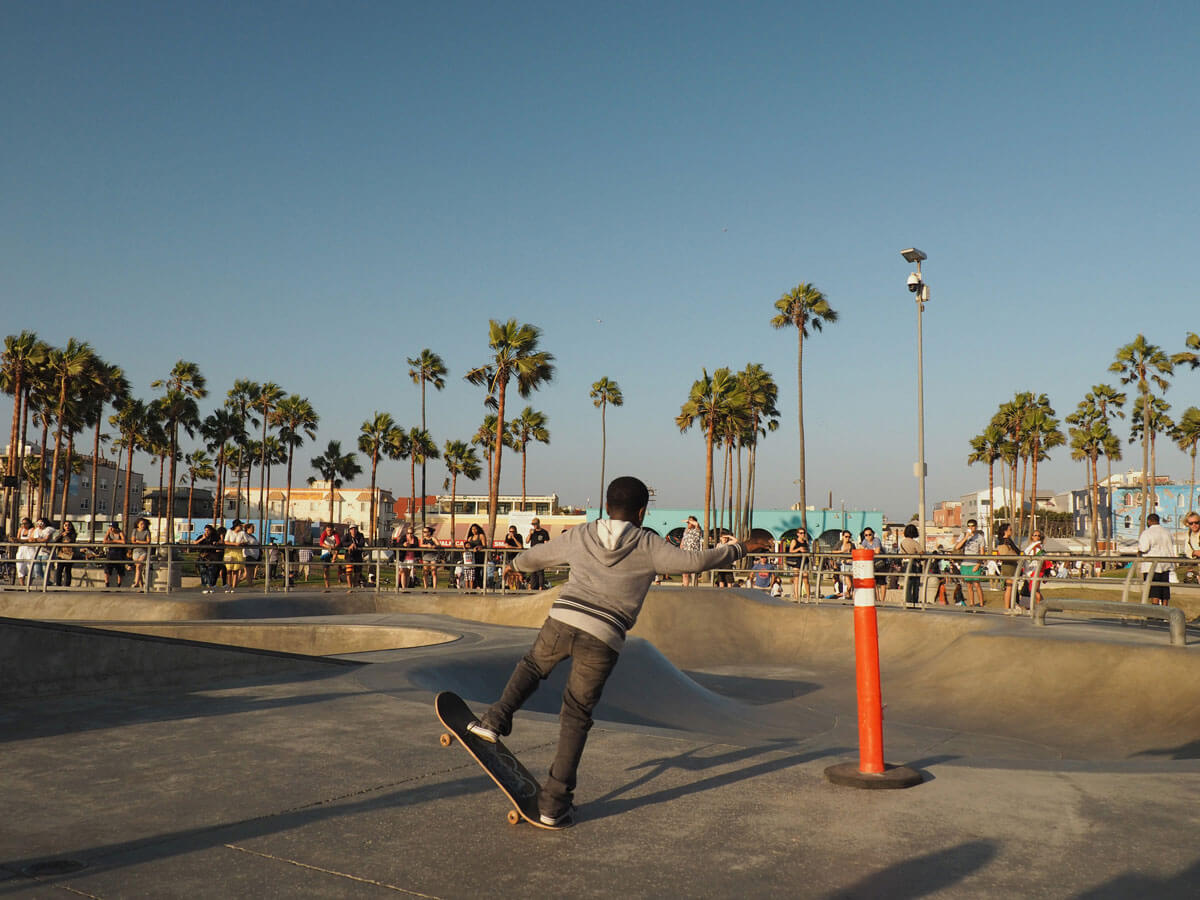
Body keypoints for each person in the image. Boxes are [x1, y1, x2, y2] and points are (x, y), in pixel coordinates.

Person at [464, 476, 771, 828]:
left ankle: (494, 720)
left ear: (607, 506)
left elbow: (538, 556)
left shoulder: (582, 533)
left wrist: (514, 566)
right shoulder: (648, 544)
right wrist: (742, 547)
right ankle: (554, 804)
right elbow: (696, 562)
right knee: (576, 714)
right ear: (641, 511)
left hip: (563, 619)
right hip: (603, 636)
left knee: (533, 666)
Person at [1137, 513, 1175, 606]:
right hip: (1166, 564)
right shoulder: (1167, 532)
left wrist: (1139, 551)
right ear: (1158, 521)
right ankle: (1166, 611)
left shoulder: (1147, 533)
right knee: (1164, 590)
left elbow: (1144, 548)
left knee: (1154, 591)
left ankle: (1155, 612)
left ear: (1149, 521)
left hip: (1151, 567)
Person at [953, 519, 987, 608]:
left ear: (976, 526)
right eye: (969, 526)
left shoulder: (980, 537)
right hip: (965, 563)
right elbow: (957, 547)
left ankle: (981, 603)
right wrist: (966, 537)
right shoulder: (963, 535)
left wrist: (978, 565)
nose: (971, 527)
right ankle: (971, 603)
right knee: (968, 585)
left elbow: (982, 553)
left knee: (977, 584)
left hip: (974, 563)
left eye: (972, 526)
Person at [994, 522, 1021, 612]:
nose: (1011, 531)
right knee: (1010, 586)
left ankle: (1009, 606)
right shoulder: (1007, 540)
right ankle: (1007, 607)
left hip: (1007, 564)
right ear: (1005, 531)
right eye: (1010, 529)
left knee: (1010, 586)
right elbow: (1017, 551)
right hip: (1009, 565)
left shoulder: (1001, 540)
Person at [898, 523, 923, 608]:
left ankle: (907, 601)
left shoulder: (902, 543)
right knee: (915, 585)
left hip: (905, 564)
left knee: (907, 584)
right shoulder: (914, 543)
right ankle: (914, 603)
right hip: (914, 565)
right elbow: (922, 553)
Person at [859, 527, 886, 604]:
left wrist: (867, 551)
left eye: (870, 535)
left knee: (882, 582)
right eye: (866, 535)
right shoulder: (865, 541)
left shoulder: (876, 540)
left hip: (881, 563)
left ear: (873, 534)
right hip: (872, 563)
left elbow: (877, 551)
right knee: (874, 582)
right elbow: (860, 550)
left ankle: (882, 601)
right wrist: (868, 551)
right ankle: (877, 600)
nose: (868, 537)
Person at [194, 524, 222, 593]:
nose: (206, 532)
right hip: (202, 556)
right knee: (203, 571)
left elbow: (220, 542)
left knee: (211, 571)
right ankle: (204, 585)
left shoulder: (214, 537)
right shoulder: (201, 537)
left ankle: (210, 585)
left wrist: (216, 543)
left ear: (211, 531)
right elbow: (195, 543)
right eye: (205, 530)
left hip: (211, 557)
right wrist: (202, 538)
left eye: (208, 530)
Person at [526, 518, 551, 589]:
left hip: (540, 553)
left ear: (538, 523)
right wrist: (530, 534)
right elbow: (527, 541)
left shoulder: (544, 532)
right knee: (533, 571)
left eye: (535, 524)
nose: (534, 526)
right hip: (532, 554)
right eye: (533, 524)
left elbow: (546, 543)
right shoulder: (532, 532)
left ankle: (540, 587)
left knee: (540, 572)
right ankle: (532, 587)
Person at [785, 530, 810, 601]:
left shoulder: (805, 542)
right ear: (798, 534)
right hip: (797, 561)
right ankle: (796, 596)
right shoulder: (794, 541)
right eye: (801, 533)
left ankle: (808, 596)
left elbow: (808, 550)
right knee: (797, 579)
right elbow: (790, 551)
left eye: (804, 533)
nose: (803, 534)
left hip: (804, 561)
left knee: (806, 579)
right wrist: (799, 549)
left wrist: (805, 550)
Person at [102, 521, 128, 588]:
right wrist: (114, 542)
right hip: (111, 552)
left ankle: (119, 585)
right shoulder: (109, 532)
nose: (110, 529)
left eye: (112, 527)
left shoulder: (120, 532)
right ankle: (107, 584)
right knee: (107, 568)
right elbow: (104, 541)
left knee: (120, 569)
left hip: (119, 553)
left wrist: (114, 541)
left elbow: (123, 541)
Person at [53, 521, 78, 587]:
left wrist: (67, 535)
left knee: (68, 570)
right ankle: (58, 584)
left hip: (69, 554)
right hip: (61, 554)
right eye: (66, 525)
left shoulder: (73, 534)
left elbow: (72, 541)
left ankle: (67, 584)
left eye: (68, 525)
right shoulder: (62, 534)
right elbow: (55, 541)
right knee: (59, 570)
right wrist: (61, 535)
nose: (67, 527)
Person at [679, 516, 703, 586]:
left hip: (694, 555)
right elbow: (682, 542)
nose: (688, 523)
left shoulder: (697, 530)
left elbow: (697, 524)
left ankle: (694, 589)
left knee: (694, 574)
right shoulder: (686, 530)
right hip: (685, 555)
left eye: (690, 522)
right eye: (688, 522)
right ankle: (685, 589)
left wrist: (689, 521)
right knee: (685, 574)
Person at [130, 517, 152, 589]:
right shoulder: (135, 531)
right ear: (138, 524)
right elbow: (133, 541)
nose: (143, 525)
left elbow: (148, 541)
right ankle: (141, 586)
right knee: (138, 568)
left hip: (143, 552)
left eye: (144, 524)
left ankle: (135, 583)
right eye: (141, 524)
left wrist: (138, 541)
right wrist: (141, 542)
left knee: (139, 566)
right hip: (136, 551)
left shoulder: (147, 531)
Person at [343, 524, 367, 589]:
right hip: (349, 556)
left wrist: (355, 544)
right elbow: (343, 543)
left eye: (355, 529)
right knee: (349, 572)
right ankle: (349, 586)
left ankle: (355, 584)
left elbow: (362, 543)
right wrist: (350, 544)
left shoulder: (360, 535)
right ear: (349, 530)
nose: (353, 530)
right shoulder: (347, 536)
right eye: (352, 529)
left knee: (357, 572)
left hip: (358, 556)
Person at [318, 524, 340, 591]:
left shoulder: (335, 534)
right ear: (326, 530)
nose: (329, 532)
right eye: (327, 530)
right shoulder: (324, 533)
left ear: (333, 530)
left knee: (337, 550)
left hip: (333, 550)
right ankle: (327, 586)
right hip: (326, 552)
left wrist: (334, 546)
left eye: (330, 530)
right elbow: (321, 543)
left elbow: (338, 542)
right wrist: (328, 547)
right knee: (326, 570)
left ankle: (333, 559)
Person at [464, 524, 486, 590]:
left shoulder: (481, 536)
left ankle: (480, 585)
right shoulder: (470, 538)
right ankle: (473, 586)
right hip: (471, 557)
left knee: (479, 571)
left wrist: (479, 547)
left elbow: (484, 545)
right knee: (472, 572)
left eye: (475, 529)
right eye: (472, 529)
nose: (474, 530)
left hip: (480, 556)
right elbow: (466, 545)